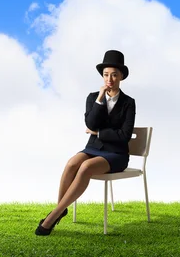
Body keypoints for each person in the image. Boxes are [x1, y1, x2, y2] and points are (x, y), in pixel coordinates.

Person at [35, 50, 136, 236]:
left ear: (121, 76)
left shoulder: (129, 103)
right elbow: (90, 123)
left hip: (116, 154)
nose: (110, 79)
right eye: (106, 75)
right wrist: (99, 99)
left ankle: (53, 215)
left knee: (85, 167)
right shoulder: (92, 97)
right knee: (72, 163)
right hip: (93, 148)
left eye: (114, 74)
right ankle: (61, 209)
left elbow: (124, 136)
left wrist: (98, 132)